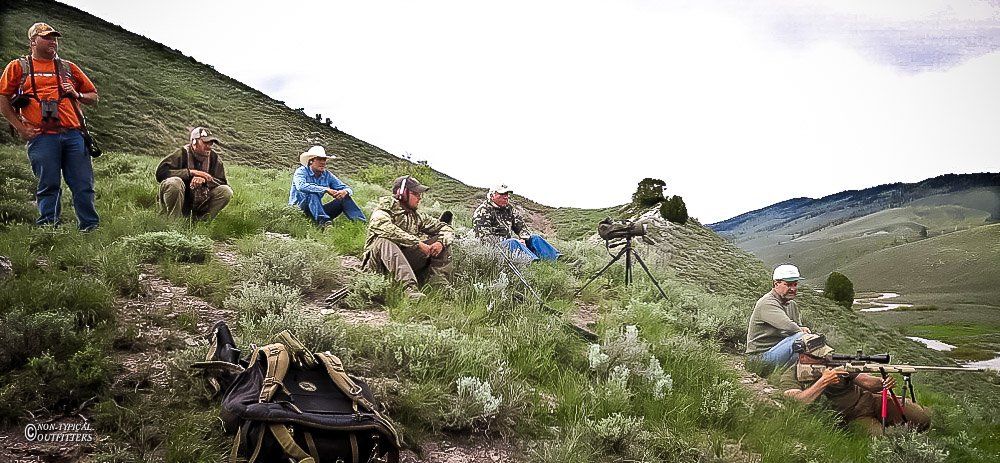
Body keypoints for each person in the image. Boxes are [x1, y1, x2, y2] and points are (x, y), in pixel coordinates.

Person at [0, 22, 100, 231]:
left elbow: (93, 96)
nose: (52, 41)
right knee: (48, 186)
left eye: (54, 38)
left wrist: (77, 94)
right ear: (33, 41)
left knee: (83, 186)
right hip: (42, 137)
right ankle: (48, 230)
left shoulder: (68, 67)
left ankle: (90, 229)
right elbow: (3, 97)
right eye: (46, 37)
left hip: (74, 134)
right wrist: (19, 127)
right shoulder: (18, 67)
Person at [780, 334, 930, 435]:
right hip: (852, 416)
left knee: (922, 418)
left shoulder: (834, 361)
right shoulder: (791, 375)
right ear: (803, 357)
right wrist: (824, 381)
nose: (824, 358)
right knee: (883, 438)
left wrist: (882, 382)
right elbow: (797, 401)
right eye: (818, 356)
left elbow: (866, 382)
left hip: (870, 399)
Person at [363, 176, 454, 299]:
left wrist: (440, 243)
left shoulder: (416, 216)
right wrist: (417, 243)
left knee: (442, 241)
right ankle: (408, 289)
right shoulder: (384, 209)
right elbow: (383, 226)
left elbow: (446, 228)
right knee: (384, 239)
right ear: (402, 193)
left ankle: (439, 287)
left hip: (401, 263)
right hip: (378, 266)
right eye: (415, 193)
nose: (419, 197)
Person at [155, 127, 233, 220]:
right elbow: (161, 173)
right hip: (179, 200)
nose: (209, 146)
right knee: (174, 183)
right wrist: (190, 173)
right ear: (194, 142)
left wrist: (204, 180)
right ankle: (173, 223)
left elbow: (222, 182)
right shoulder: (181, 154)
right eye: (205, 142)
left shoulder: (214, 159)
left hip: (199, 202)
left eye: (211, 143)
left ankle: (201, 222)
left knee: (226, 191)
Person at [746, 264, 812, 369]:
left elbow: (797, 327)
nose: (793, 289)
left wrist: (803, 331)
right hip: (759, 358)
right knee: (801, 338)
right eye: (788, 285)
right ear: (776, 284)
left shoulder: (792, 304)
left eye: (795, 284)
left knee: (805, 345)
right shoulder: (767, 303)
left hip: (780, 351)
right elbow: (788, 326)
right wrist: (804, 332)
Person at [472, 184, 560, 261]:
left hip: (510, 243)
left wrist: (524, 239)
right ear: (492, 195)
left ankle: (557, 259)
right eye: (502, 194)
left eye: (506, 194)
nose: (506, 196)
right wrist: (511, 242)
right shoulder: (482, 211)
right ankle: (533, 263)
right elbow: (484, 238)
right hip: (494, 247)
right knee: (513, 242)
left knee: (535, 238)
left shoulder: (508, 208)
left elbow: (521, 226)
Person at [288, 145, 366, 225]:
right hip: (299, 211)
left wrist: (345, 191)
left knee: (344, 196)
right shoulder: (301, 171)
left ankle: (360, 224)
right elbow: (301, 186)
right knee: (312, 193)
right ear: (311, 161)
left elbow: (346, 187)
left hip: (317, 210)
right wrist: (326, 189)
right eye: (319, 159)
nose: (322, 162)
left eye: (324, 159)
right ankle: (324, 223)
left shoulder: (327, 175)